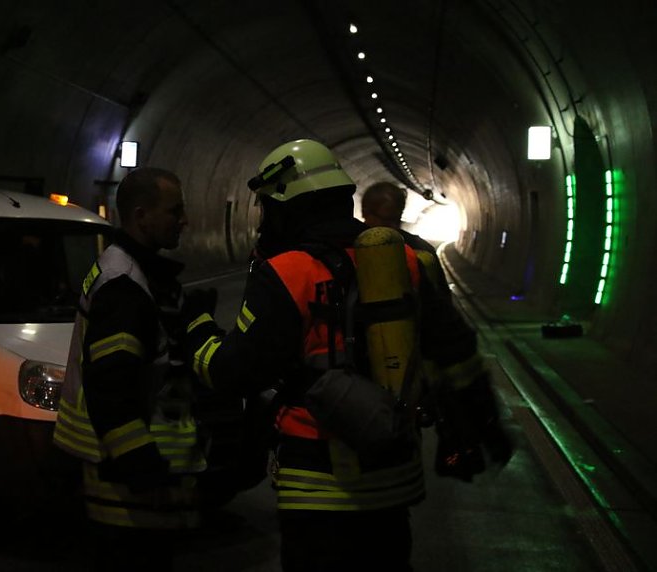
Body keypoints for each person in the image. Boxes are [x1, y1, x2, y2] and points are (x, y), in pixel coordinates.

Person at [181, 139, 511, 571]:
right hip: (394, 475)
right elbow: (455, 351)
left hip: (316, 484)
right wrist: (482, 422)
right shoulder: (408, 259)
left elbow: (235, 372)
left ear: (285, 206)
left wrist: (198, 332)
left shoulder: (287, 271)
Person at [53, 167, 206, 571]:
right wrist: (145, 471)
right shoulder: (125, 286)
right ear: (141, 216)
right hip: (124, 496)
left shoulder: (135, 274)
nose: (184, 221)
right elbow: (112, 392)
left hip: (127, 488)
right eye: (175, 211)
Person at [361, 181, 450, 298]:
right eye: (387, 220)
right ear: (365, 213)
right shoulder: (348, 248)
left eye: (397, 220)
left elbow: (439, 300)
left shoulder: (421, 251)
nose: (393, 227)